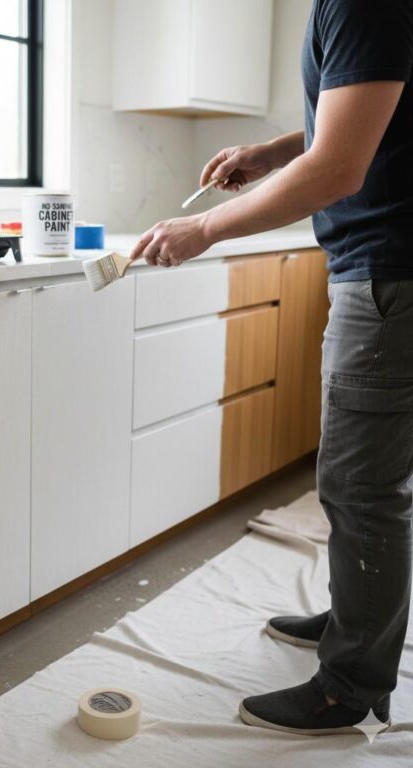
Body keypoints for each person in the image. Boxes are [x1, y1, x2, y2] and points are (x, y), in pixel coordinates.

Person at [129, 0, 413, 736]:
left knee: (360, 487)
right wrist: (277, 151)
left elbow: (341, 168)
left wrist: (205, 228)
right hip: (386, 269)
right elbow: (371, 115)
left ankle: (349, 685)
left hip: (388, 271)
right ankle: (357, 620)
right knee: (366, 481)